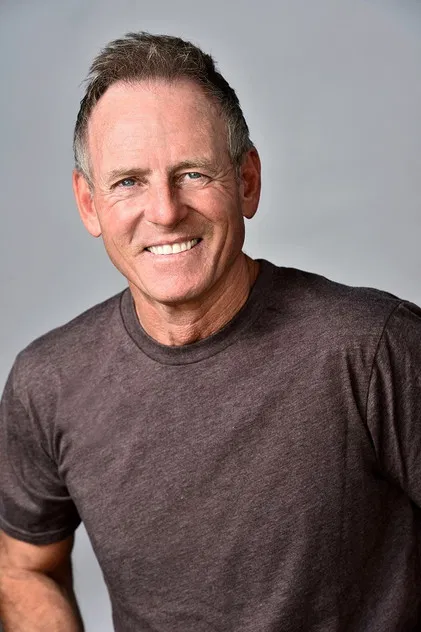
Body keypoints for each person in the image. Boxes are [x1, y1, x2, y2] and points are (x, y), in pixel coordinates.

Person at [0, 31, 420, 632]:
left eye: (193, 173)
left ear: (247, 180)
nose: (165, 211)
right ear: (89, 203)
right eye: (128, 182)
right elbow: (23, 568)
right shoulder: (48, 383)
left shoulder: (375, 348)